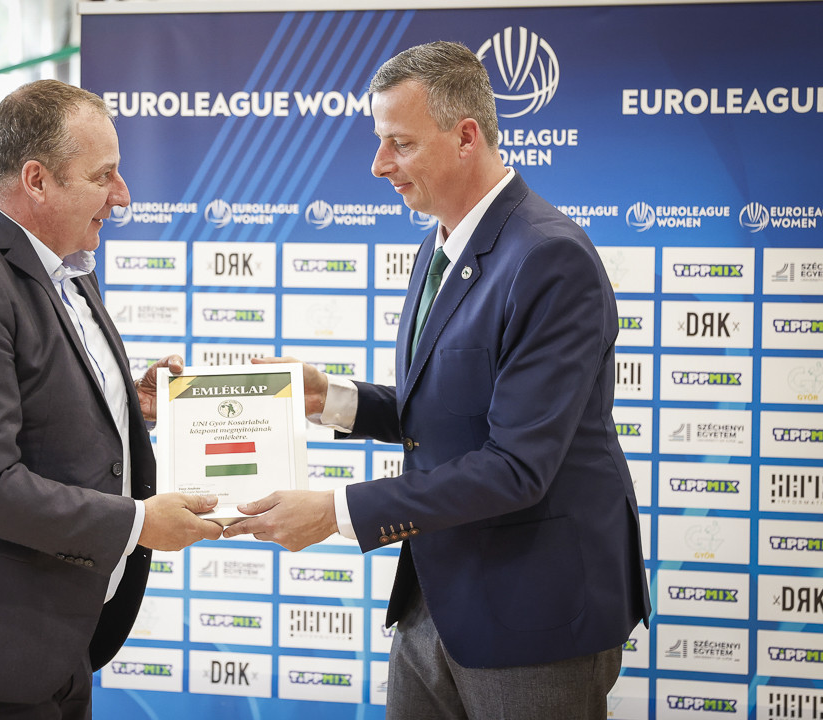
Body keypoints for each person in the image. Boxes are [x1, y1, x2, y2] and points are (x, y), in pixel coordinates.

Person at [223, 42, 651, 719]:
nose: (378, 164)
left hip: (534, 611)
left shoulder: (550, 258)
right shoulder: (439, 244)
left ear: (466, 137)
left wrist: (336, 512)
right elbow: (449, 411)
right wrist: (329, 398)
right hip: (433, 599)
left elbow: (516, 467)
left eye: (400, 143)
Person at [0, 79, 222, 719]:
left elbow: (37, 398)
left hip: (48, 637)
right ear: (36, 180)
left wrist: (124, 401)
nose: (123, 195)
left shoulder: (65, 265)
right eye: (104, 176)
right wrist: (139, 524)